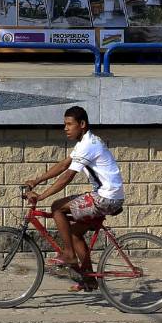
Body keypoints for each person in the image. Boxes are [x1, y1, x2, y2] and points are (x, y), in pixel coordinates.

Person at [22, 106, 124, 292]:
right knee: (75, 234)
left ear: (82, 124)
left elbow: (68, 175)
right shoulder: (84, 142)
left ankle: (68, 254)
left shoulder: (89, 145)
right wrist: (36, 181)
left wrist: (42, 196)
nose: (65, 128)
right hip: (106, 195)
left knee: (56, 207)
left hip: (105, 198)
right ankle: (90, 281)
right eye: (64, 124)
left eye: (69, 124)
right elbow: (64, 165)